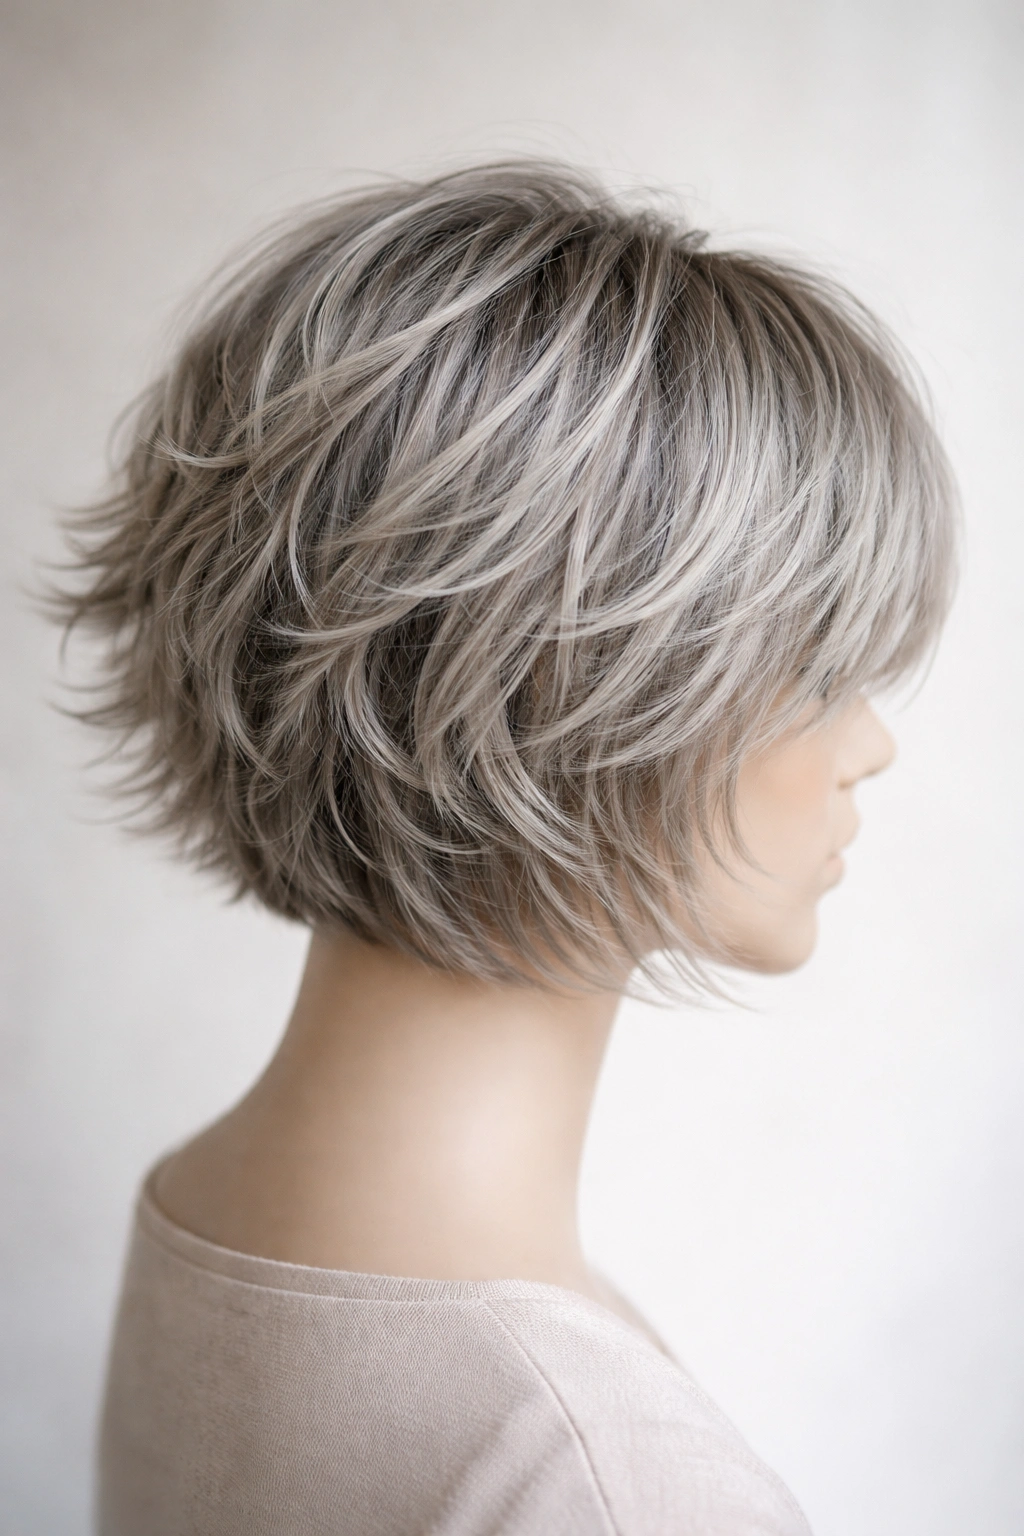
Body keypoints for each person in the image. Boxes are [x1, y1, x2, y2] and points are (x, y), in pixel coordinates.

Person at [58, 161, 956, 1535]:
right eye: (820, 665)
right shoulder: (607, 1484)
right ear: (571, 676)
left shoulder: (220, 1213)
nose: (870, 745)